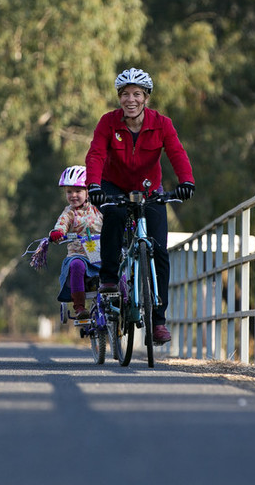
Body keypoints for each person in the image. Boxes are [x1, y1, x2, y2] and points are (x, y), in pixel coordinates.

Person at [85, 67, 195, 345]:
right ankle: (109, 279)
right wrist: (94, 186)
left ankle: (158, 322)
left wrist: (186, 181)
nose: (130, 100)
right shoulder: (108, 122)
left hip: (149, 188)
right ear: (119, 98)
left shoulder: (162, 124)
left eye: (136, 94)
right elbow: (96, 153)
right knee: (115, 214)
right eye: (125, 94)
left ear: (146, 98)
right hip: (113, 184)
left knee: (159, 249)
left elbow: (176, 152)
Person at [47, 165, 104, 320]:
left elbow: (112, 222)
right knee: (75, 265)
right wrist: (57, 233)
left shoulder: (98, 209)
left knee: (120, 266)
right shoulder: (69, 212)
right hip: (79, 255)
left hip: (102, 255)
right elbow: (62, 224)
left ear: (87, 192)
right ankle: (79, 307)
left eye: (78, 191)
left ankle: (124, 302)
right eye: (69, 192)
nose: (73, 195)